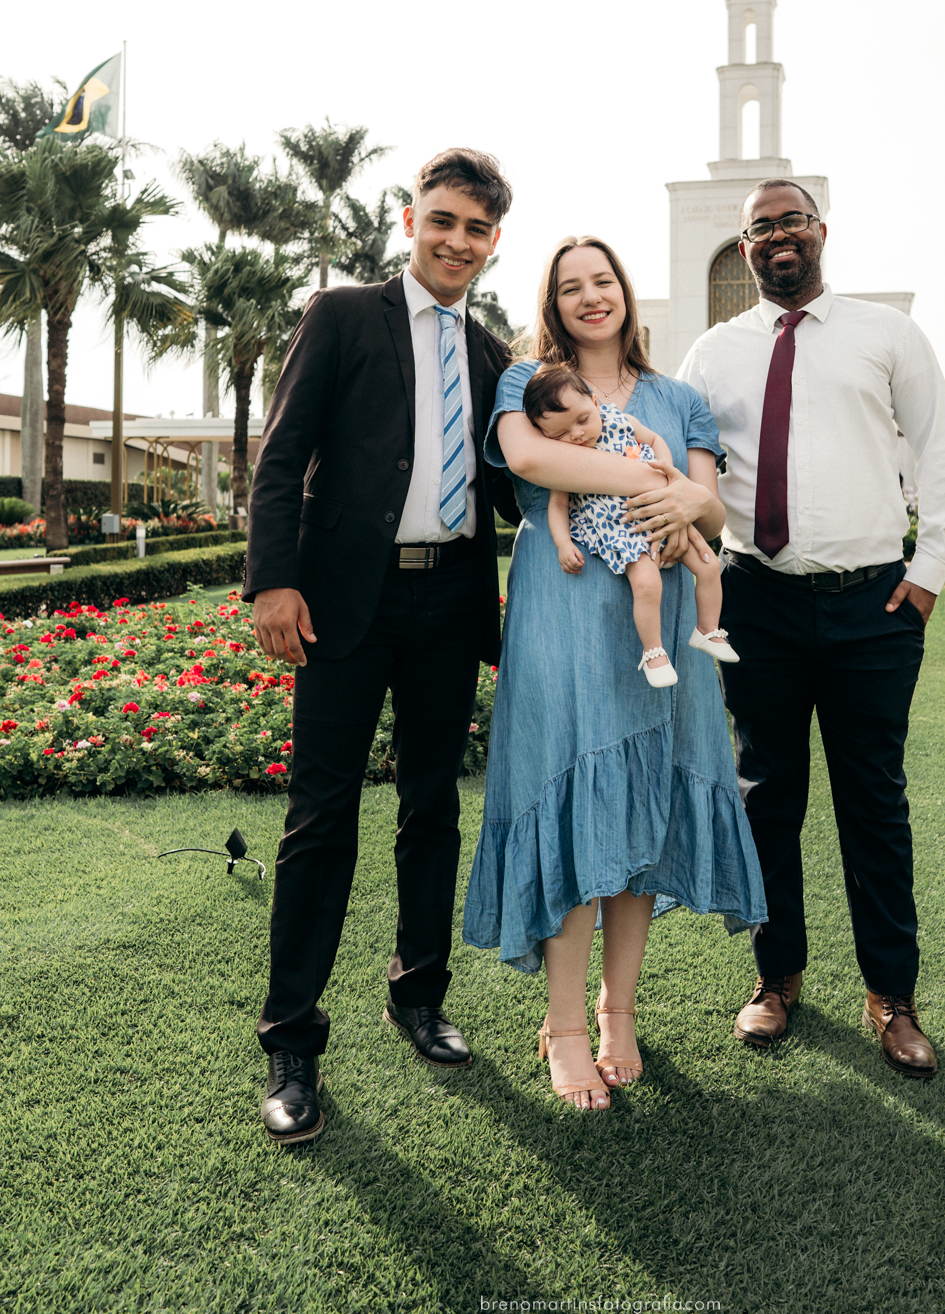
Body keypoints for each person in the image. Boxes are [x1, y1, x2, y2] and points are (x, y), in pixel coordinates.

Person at [243, 148, 519, 1144]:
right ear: (411, 221)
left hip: (449, 602)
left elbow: (520, 481)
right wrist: (274, 580)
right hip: (340, 603)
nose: (456, 242)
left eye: (476, 229)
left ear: (493, 244)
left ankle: (419, 997)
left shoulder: (493, 357)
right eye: (442, 221)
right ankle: (290, 1041)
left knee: (433, 807)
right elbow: (279, 456)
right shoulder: (343, 315)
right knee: (320, 818)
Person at [463, 237, 767, 1110]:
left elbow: (710, 500)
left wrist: (690, 502)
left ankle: (617, 1011)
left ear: (627, 294)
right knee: (574, 806)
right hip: (563, 621)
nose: (590, 298)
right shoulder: (526, 383)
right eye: (571, 287)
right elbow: (532, 462)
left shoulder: (679, 396)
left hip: (660, 624)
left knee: (641, 812)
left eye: (603, 282)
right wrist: (656, 483)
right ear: (552, 302)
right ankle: (560, 1026)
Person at [677, 180, 945, 1078]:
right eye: (761, 227)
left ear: (820, 232)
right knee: (768, 798)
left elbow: (941, 452)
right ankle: (777, 977)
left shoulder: (887, 333)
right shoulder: (712, 353)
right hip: (757, 600)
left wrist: (923, 581)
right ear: (745, 245)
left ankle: (893, 996)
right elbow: (674, 465)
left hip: (872, 607)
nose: (778, 237)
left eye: (791, 221)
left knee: (873, 804)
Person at [523, 362, 738, 686]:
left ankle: (707, 629)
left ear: (595, 402)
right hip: (620, 527)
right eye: (561, 433)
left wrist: (666, 472)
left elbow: (654, 438)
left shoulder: (619, 421)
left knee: (708, 565)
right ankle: (654, 653)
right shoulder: (562, 457)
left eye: (582, 419)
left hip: (661, 512)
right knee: (647, 583)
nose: (577, 434)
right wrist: (563, 543)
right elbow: (558, 504)